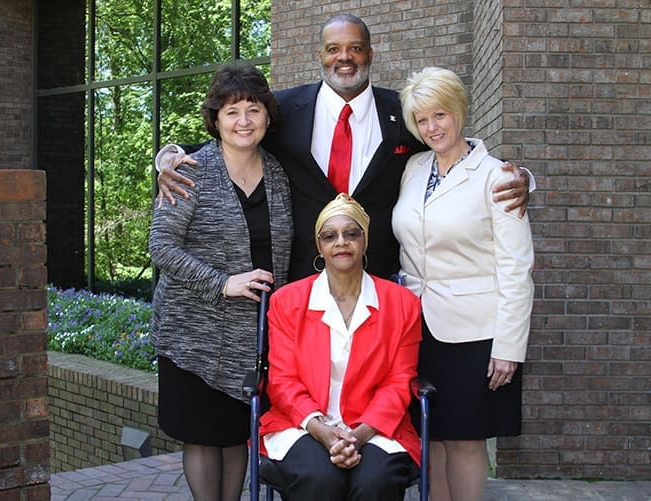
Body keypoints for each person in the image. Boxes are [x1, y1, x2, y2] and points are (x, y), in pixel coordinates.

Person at [154, 14, 532, 282]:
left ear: (369, 54)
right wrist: (168, 156)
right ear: (320, 56)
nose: (344, 57)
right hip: (303, 278)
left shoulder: (402, 112)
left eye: (355, 48)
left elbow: (453, 148)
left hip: (379, 277)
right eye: (334, 48)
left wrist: (519, 179)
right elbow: (231, 138)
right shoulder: (283, 110)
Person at [148, 64, 293, 501]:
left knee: (236, 435)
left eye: (253, 109)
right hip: (192, 333)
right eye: (232, 111)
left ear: (268, 117)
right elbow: (161, 245)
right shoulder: (190, 171)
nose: (243, 121)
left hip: (253, 336)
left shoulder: (280, 176)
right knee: (203, 437)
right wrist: (222, 282)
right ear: (216, 119)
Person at [392, 67, 535, 501]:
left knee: (467, 441)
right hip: (418, 327)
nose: (432, 127)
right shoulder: (414, 168)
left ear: (459, 111)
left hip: (477, 331)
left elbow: (517, 267)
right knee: (430, 437)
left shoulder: (498, 177)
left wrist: (509, 347)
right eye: (421, 120)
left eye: (440, 115)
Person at [258, 193, 423, 500]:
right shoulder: (288, 302)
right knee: (320, 478)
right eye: (330, 236)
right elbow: (281, 380)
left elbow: (399, 382)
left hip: (375, 427)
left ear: (365, 241)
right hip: (303, 424)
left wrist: (357, 437)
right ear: (319, 246)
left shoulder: (403, 304)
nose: (341, 242)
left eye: (352, 233)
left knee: (376, 481)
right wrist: (323, 431)